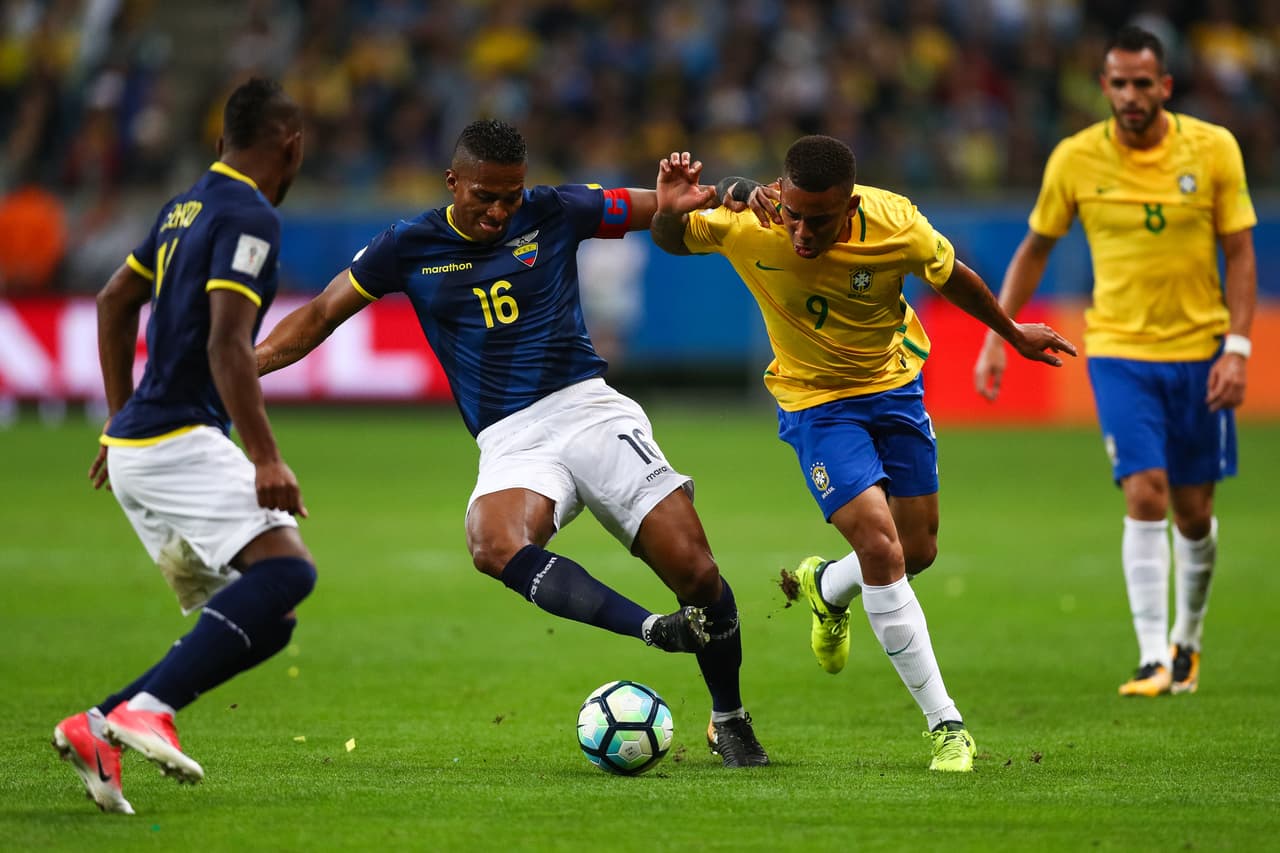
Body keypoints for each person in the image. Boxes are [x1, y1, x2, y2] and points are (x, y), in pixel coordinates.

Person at [254, 120, 769, 769]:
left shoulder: (553, 208)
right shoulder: (407, 244)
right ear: (452, 183)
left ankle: (729, 717)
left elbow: (652, 208)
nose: (500, 211)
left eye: (510, 195)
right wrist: (248, 365)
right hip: (511, 438)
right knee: (491, 541)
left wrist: (691, 197)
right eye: (484, 197)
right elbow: (322, 311)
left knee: (696, 570)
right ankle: (649, 628)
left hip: (588, 407)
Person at [650, 138, 1076, 772]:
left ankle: (828, 585)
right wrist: (666, 210)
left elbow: (953, 276)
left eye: (818, 220)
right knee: (881, 546)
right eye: (793, 214)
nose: (799, 232)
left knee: (918, 550)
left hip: (895, 385)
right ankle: (946, 727)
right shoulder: (751, 224)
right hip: (817, 405)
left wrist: (1012, 334)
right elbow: (671, 235)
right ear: (782, 195)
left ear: (848, 203)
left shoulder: (895, 223)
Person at [52, 78, 315, 814]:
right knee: (290, 574)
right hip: (175, 437)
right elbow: (230, 343)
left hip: (141, 443)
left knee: (267, 621)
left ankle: (101, 722)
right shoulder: (250, 215)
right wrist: (266, 455)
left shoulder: (184, 205)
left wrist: (115, 420)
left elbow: (112, 303)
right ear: (290, 144)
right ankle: (149, 708)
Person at [973, 25, 1257, 698]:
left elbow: (1241, 252)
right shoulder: (1074, 159)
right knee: (1144, 492)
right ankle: (1152, 654)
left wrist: (1239, 349)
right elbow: (1034, 249)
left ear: (1165, 85)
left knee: (1194, 511)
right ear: (1104, 87)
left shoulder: (1214, 150)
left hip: (1201, 350)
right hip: (1121, 352)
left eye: (1142, 83)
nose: (1131, 95)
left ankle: (1187, 640)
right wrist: (999, 335)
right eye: (1119, 83)